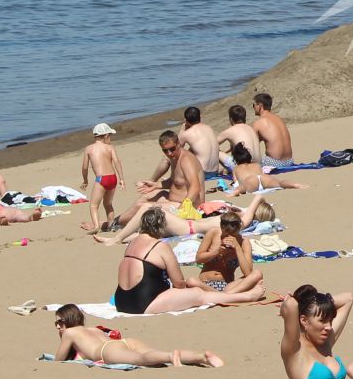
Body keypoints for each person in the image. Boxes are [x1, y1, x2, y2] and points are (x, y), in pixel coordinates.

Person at [111, 208, 264, 315]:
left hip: (122, 302)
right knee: (197, 294)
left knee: (255, 274)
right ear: (161, 227)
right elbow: (179, 282)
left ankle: (228, 294)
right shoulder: (159, 246)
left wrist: (237, 247)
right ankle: (246, 297)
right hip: (143, 303)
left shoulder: (132, 244)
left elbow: (249, 272)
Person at [51, 305, 222, 368]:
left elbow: (58, 360)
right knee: (153, 353)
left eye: (60, 322)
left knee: (142, 359)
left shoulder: (69, 333)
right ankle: (203, 357)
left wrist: (62, 337)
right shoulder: (94, 329)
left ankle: (170, 356)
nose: (58, 326)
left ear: (69, 320)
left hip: (107, 351)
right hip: (125, 341)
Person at [126, 130, 206, 225]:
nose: (169, 153)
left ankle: (122, 226)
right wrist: (156, 185)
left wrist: (182, 209)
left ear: (178, 144)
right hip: (174, 201)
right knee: (145, 197)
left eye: (172, 149)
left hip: (188, 205)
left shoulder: (186, 160)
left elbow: (195, 187)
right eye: (165, 150)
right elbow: (177, 182)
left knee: (144, 206)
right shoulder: (174, 157)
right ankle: (116, 222)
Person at [192, 210, 265, 293]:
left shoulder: (244, 242)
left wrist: (237, 247)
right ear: (221, 226)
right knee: (191, 281)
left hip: (227, 286)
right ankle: (225, 296)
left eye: (233, 234)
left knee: (257, 274)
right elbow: (198, 259)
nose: (228, 236)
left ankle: (225, 295)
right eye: (225, 233)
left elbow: (248, 273)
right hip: (205, 283)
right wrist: (215, 253)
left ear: (239, 228)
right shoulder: (213, 233)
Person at [79, 123, 122, 234]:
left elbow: (84, 167)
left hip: (101, 179)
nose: (110, 138)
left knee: (93, 205)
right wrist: (121, 178)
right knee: (108, 204)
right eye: (110, 135)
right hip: (113, 178)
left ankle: (96, 226)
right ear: (106, 135)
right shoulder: (110, 148)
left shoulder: (89, 149)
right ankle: (111, 225)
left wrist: (85, 180)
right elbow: (117, 162)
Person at [228, 144, 307, 197]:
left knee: (241, 187)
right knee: (280, 183)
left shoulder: (236, 169)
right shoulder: (256, 165)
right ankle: (295, 185)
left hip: (249, 181)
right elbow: (261, 174)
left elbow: (236, 182)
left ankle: (234, 193)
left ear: (236, 160)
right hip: (262, 178)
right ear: (249, 157)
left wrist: (237, 188)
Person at [219, 105, 262, 179]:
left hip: (244, 166)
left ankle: (232, 169)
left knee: (216, 151)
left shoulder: (231, 130)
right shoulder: (250, 128)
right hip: (258, 165)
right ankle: (230, 169)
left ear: (231, 119)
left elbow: (211, 144)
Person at [178, 107, 218, 182]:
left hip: (202, 174)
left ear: (185, 120)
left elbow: (176, 149)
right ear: (200, 117)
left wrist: (182, 130)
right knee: (192, 150)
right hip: (215, 172)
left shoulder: (187, 133)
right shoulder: (209, 128)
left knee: (178, 154)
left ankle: (173, 178)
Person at [252, 92, 294, 164]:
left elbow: (250, 144)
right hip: (289, 161)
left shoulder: (259, 123)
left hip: (274, 162)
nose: (253, 107)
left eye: (254, 105)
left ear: (260, 106)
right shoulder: (279, 119)